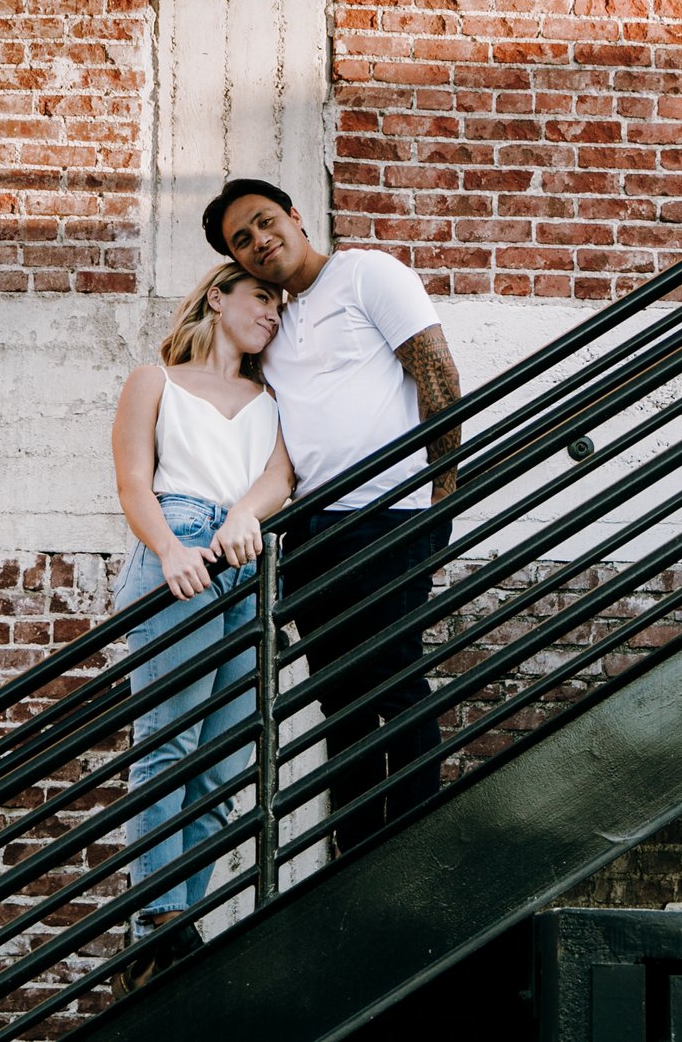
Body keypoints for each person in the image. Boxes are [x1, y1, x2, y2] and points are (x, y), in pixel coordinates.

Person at [202, 178, 461, 858]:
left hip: (390, 514)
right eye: (242, 240)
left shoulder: (367, 273)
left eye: (264, 222)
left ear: (294, 216)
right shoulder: (276, 329)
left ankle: (411, 842)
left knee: (394, 676)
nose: (259, 241)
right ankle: (354, 850)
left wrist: (445, 494)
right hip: (316, 531)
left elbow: (435, 370)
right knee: (340, 698)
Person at [108, 261, 295, 991]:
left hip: (247, 560)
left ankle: (181, 918)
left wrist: (247, 512)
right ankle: (155, 923)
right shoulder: (154, 380)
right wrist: (168, 548)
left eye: (280, 306)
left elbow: (280, 476)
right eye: (260, 298)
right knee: (171, 742)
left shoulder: (271, 398)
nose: (272, 314)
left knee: (224, 762)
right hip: (179, 549)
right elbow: (131, 479)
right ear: (217, 297)